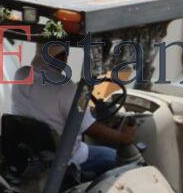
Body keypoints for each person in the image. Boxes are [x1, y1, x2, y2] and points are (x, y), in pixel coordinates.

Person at [9, 44, 135, 177]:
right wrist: (123, 137)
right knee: (116, 158)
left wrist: (87, 112)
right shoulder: (66, 88)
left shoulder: (22, 74)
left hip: (29, 149)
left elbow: (46, 106)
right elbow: (90, 129)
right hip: (63, 158)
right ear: (62, 57)